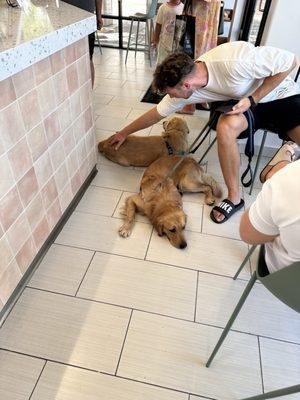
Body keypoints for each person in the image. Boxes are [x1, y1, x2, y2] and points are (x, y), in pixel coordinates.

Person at [108, 41, 300, 223]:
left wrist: (253, 98)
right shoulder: (189, 86)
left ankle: (288, 151)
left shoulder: (233, 62)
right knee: (225, 127)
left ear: (185, 85)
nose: (170, 97)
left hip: (282, 97)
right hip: (248, 107)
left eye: (170, 93)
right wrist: (124, 133)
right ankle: (234, 198)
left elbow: (291, 61)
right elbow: (156, 114)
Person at [240, 142, 300, 273]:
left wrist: (280, 179)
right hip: (294, 288)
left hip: (281, 276)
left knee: (280, 215)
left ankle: (273, 177)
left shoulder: (294, 176)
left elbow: (247, 235)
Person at [179, 0, 221, 114]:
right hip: (208, 10)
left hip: (202, 10)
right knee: (205, 53)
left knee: (195, 55)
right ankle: (202, 97)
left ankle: (192, 103)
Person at [63, 0, 103, 86]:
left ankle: (89, 95)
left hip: (86, 21)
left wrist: (98, 15)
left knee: (88, 58)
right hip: (65, 21)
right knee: (71, 61)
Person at [152, 0, 184, 66]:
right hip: (164, 43)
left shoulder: (183, 8)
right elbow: (158, 25)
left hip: (177, 45)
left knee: (175, 66)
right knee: (161, 65)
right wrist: (155, 40)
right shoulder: (163, 8)